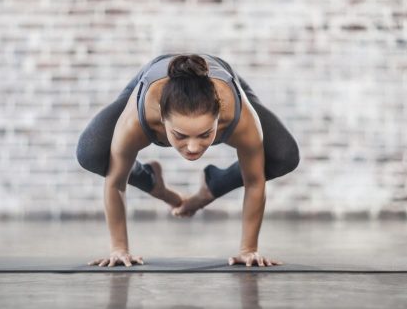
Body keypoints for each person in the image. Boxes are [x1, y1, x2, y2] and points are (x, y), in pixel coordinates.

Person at [76, 53, 300, 268]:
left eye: (205, 134)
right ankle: (154, 183)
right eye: (180, 135)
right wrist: (119, 249)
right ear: (162, 119)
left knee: (284, 156)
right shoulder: (136, 120)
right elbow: (115, 183)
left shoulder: (240, 118)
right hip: (153, 74)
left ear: (219, 117)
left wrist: (248, 249)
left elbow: (254, 181)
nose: (193, 148)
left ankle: (214, 184)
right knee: (91, 153)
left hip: (219, 76)